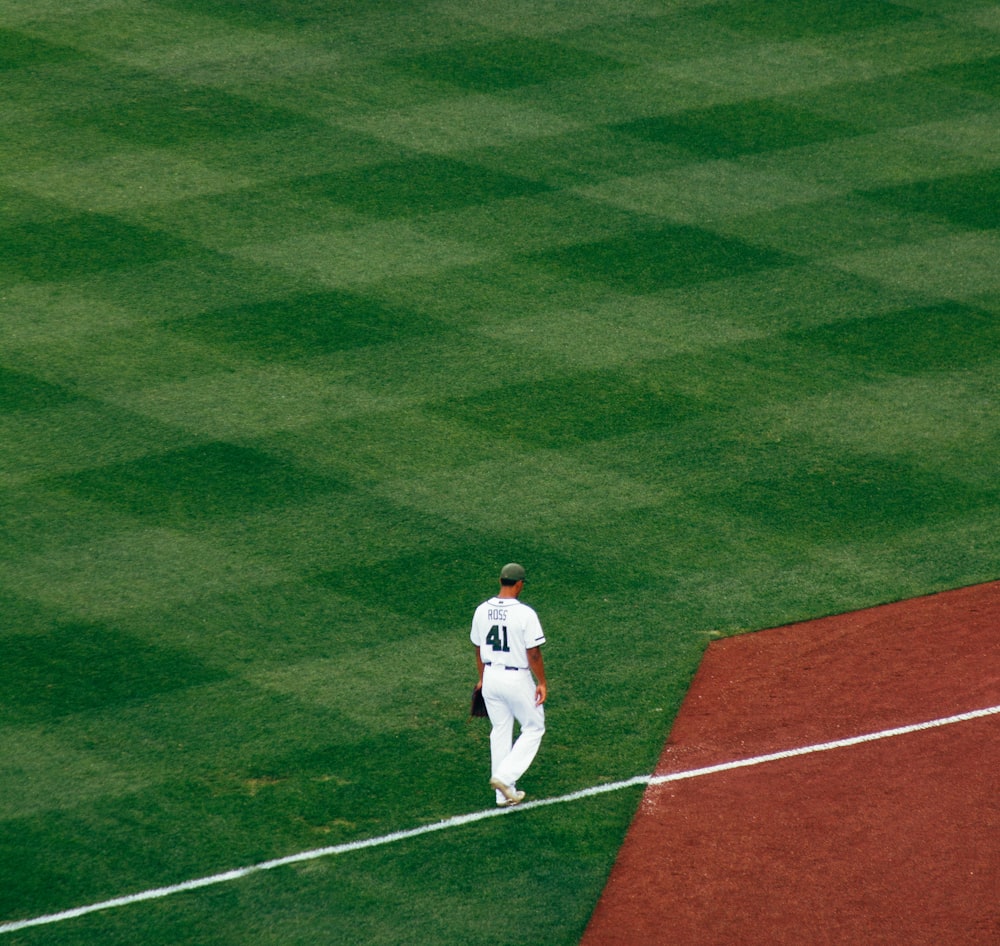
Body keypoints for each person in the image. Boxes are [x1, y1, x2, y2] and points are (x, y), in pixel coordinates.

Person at [470, 562, 547, 807]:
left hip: (491, 676)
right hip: (516, 678)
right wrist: (542, 682)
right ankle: (505, 777)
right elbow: (533, 653)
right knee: (534, 727)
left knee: (501, 730)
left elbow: (478, 648)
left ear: (501, 581)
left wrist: (483, 678)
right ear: (519, 584)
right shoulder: (525, 613)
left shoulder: (482, 610)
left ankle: (503, 794)